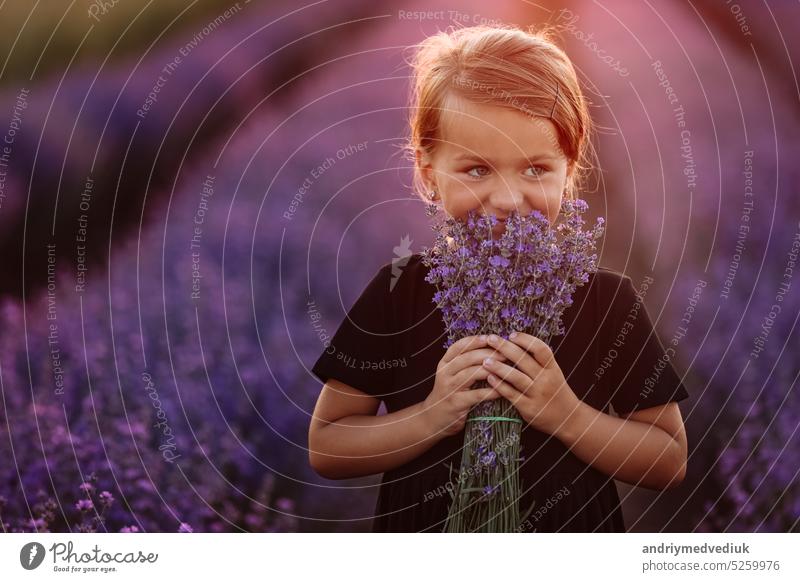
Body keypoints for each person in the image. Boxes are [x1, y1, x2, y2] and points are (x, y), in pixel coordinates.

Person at [308, 24, 689, 532]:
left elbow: (668, 459)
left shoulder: (606, 302)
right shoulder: (400, 290)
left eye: (536, 169)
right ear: (427, 173)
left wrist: (567, 415)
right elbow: (328, 445)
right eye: (476, 170)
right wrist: (432, 416)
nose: (509, 199)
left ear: (569, 170)